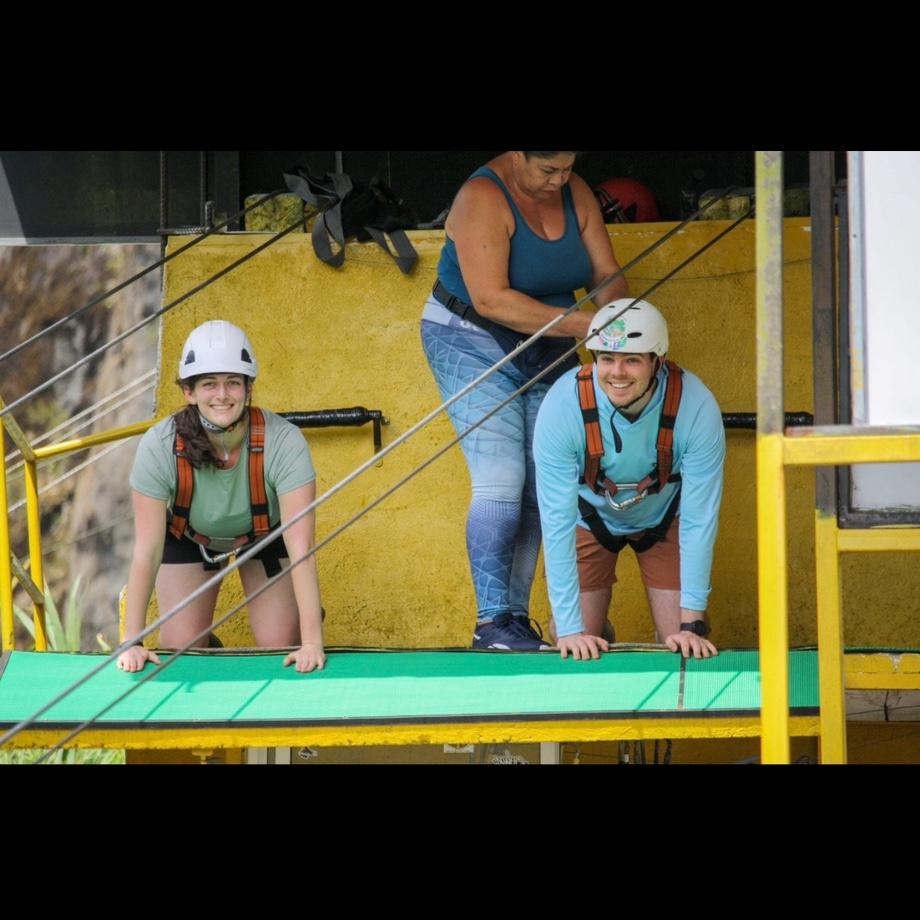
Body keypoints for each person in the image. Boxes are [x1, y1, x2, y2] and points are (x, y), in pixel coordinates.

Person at [420, 151, 629, 651]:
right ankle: (490, 622)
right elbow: (491, 298)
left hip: (550, 342)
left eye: (567, 167)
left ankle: (513, 619)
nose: (560, 179)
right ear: (517, 154)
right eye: (547, 170)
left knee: (543, 480)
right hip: (469, 335)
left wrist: (624, 321)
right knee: (500, 477)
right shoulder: (482, 196)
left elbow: (606, 274)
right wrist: (592, 326)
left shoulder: (575, 191)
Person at [117, 320, 325, 674]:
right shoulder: (159, 445)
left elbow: (301, 547)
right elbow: (147, 550)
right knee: (181, 650)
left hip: (263, 536)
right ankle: (203, 639)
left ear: (248, 387)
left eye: (233, 382)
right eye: (209, 383)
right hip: (189, 537)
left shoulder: (284, 441)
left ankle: (298, 619)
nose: (222, 395)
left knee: (278, 643)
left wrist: (312, 643)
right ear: (189, 392)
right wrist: (132, 642)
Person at [533, 299, 724, 660]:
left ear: (657, 361)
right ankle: (594, 626)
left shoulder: (697, 405)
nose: (617, 372)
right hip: (588, 518)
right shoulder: (562, 405)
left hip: (664, 517)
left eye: (632, 360)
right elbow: (556, 520)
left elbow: (699, 518)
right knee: (573, 640)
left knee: (680, 641)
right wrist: (571, 630)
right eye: (606, 358)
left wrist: (692, 622)